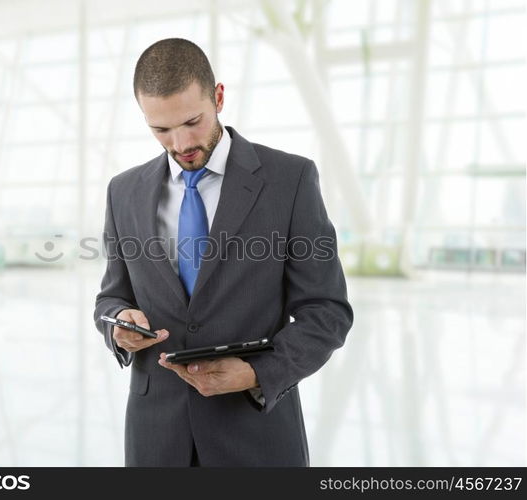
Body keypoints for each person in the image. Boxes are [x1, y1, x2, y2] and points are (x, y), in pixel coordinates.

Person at [93, 38, 353, 467]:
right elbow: (112, 296)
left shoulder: (290, 180)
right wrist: (118, 324)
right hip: (156, 438)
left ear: (218, 97)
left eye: (192, 121)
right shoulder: (124, 192)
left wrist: (256, 374)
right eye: (161, 129)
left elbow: (327, 312)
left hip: (255, 432)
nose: (180, 143)